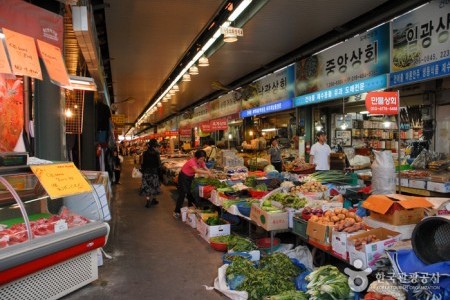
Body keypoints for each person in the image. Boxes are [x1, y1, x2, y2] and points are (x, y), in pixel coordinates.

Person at [173, 150, 212, 219]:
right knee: (182, 194)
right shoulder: (192, 161)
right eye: (201, 159)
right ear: (196, 157)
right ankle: (176, 211)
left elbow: (205, 168)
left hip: (190, 177)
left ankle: (191, 209)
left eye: (203, 159)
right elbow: (196, 170)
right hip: (183, 177)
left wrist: (209, 172)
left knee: (189, 192)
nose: (202, 160)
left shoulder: (201, 161)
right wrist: (207, 173)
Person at [141, 139, 162, 208]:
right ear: (154, 146)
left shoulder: (144, 153)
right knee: (154, 186)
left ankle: (148, 201)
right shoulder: (156, 154)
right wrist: (160, 175)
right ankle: (154, 199)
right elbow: (159, 165)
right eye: (156, 146)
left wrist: (143, 171)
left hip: (146, 173)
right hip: (154, 173)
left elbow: (142, 164)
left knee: (147, 187)